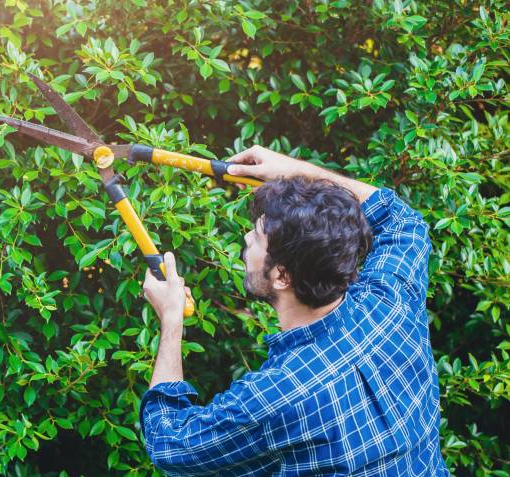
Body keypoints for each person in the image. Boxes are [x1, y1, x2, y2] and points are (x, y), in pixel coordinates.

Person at [140, 145, 449, 476]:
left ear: (282, 275)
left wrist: (171, 320)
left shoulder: (276, 398)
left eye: (257, 238)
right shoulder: (391, 305)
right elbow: (401, 220)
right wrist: (298, 172)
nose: (246, 239)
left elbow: (170, 443)